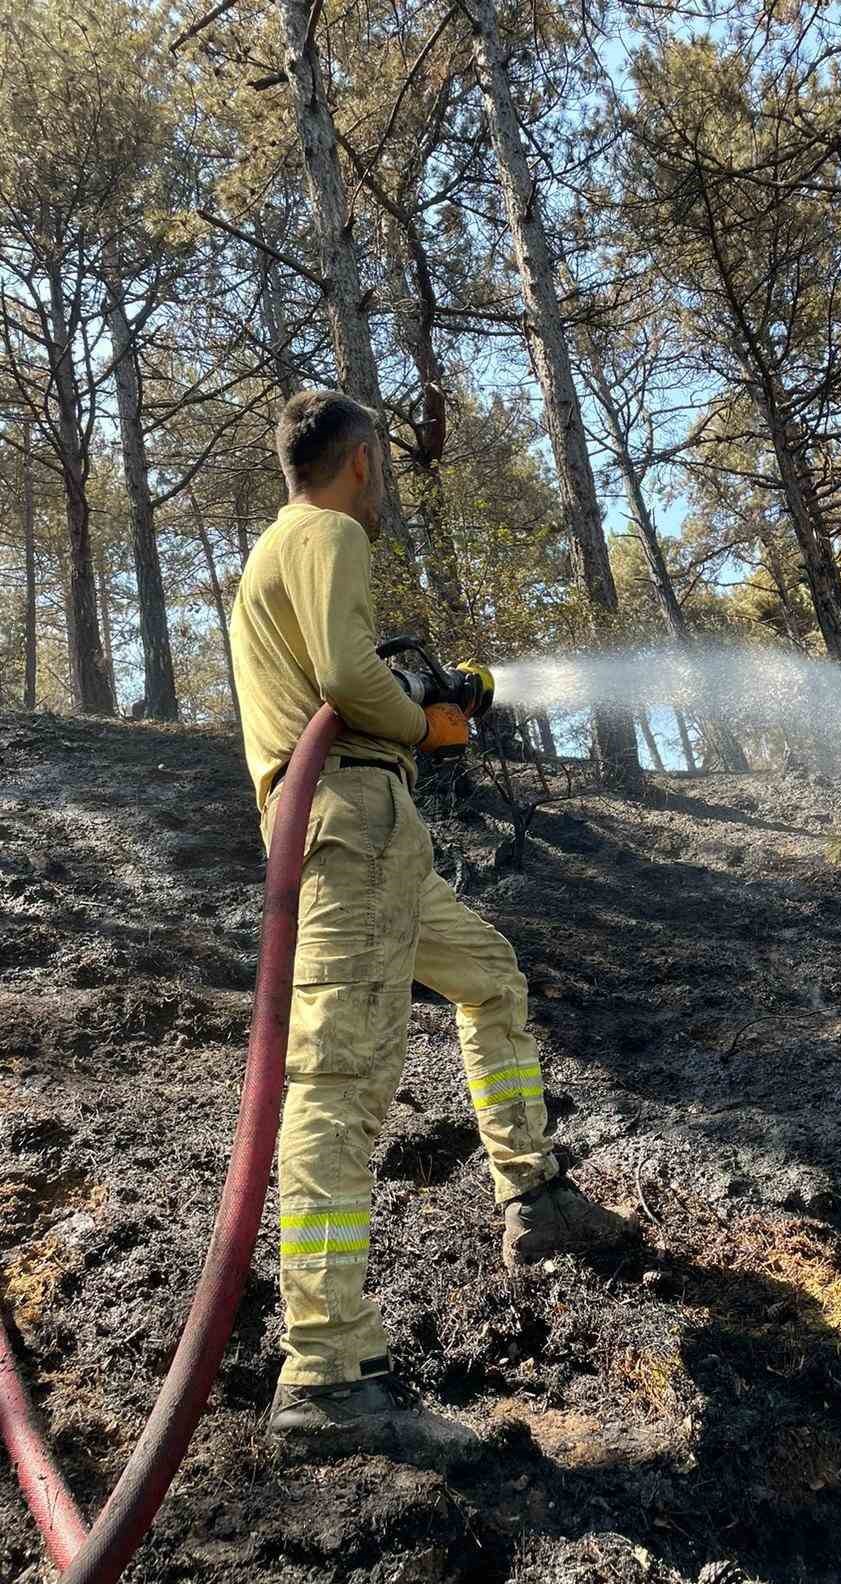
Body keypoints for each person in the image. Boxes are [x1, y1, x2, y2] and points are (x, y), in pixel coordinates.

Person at [229, 389, 633, 1460]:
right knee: (343, 1083)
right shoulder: (328, 533)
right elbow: (347, 680)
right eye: (386, 465)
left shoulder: (275, 553)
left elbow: (344, 679)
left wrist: (423, 710)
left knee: (492, 976)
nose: (389, 484)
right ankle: (328, 1372)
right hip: (347, 829)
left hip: (372, 828)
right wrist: (428, 720)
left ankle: (534, 1195)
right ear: (360, 461)